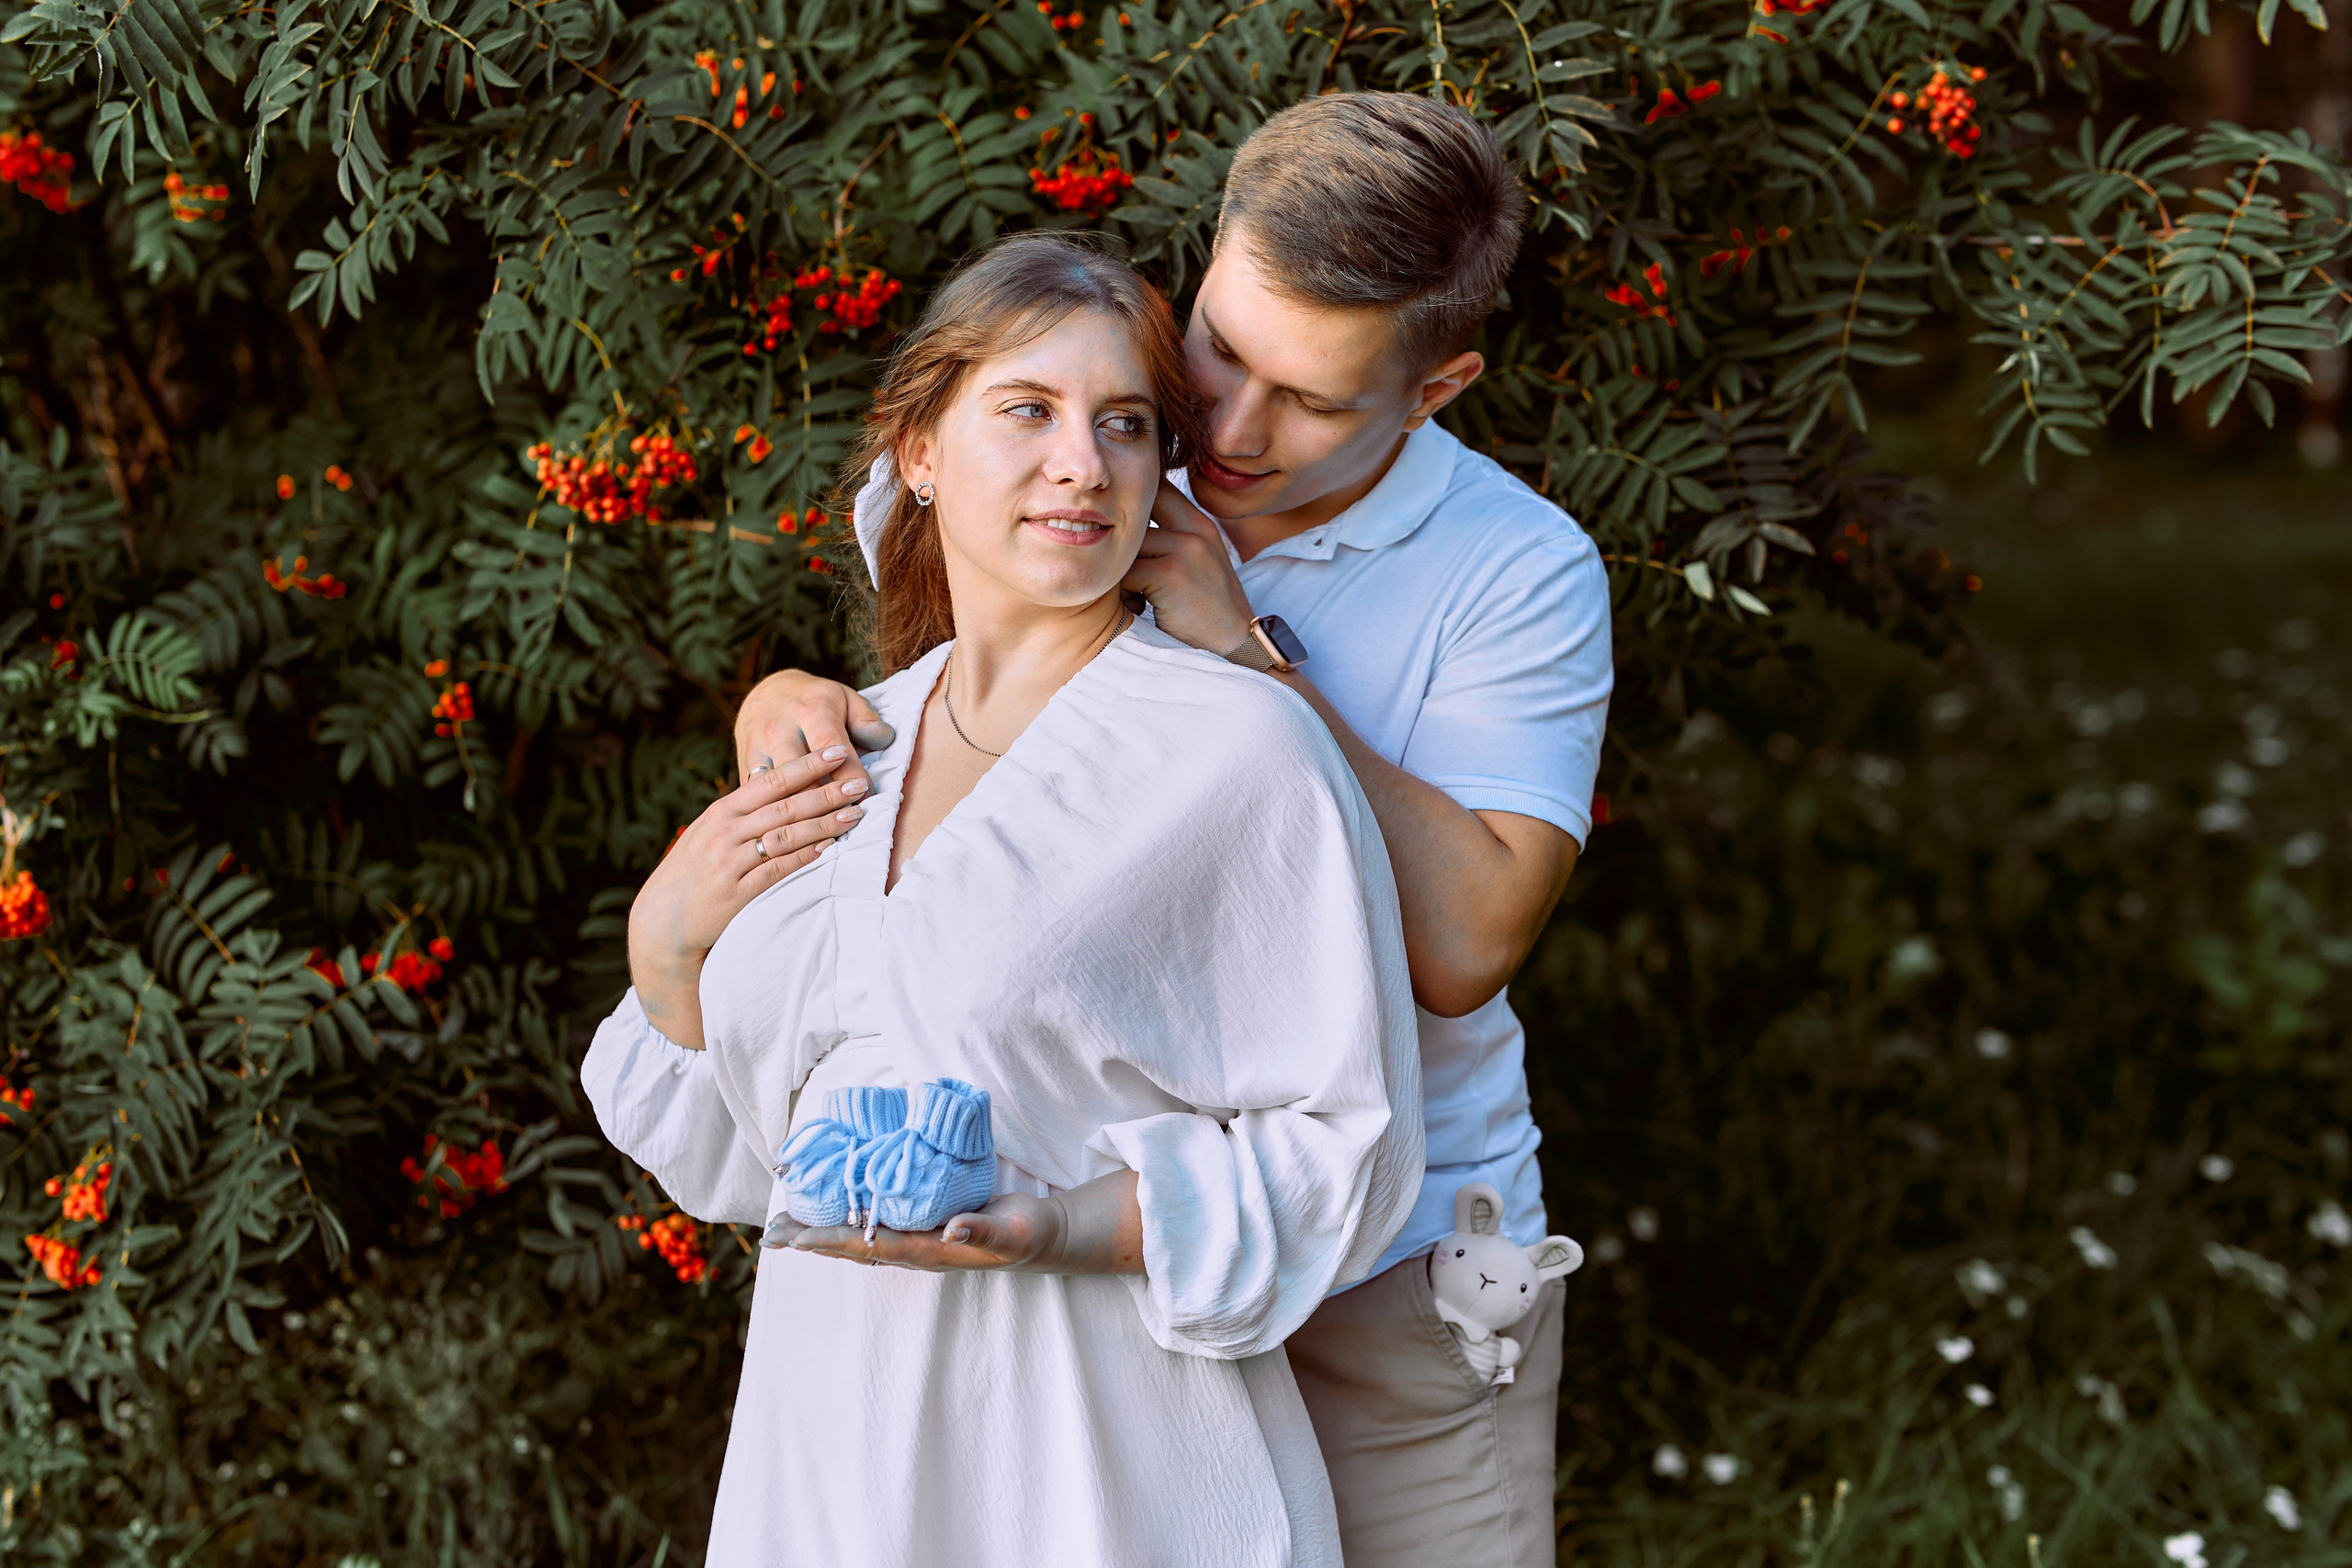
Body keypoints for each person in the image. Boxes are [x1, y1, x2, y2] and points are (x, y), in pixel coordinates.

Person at [729, 94, 1614, 1567]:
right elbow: (935, 719)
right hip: (1078, 1248)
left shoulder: (1518, 572)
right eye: (1221, 350)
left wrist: (1251, 660)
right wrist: (788, 701)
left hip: (1389, 1271)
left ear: (1439, 386)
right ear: (1206, 264)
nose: (1234, 431)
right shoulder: (1087, 436)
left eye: (1317, 401)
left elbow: (1465, 945)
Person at [583, 232, 1424, 1568]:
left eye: (1126, 424)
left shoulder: (1240, 751)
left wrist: (1067, 1226)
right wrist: (668, 945)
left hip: (1099, 1461)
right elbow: (744, 1164)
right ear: (919, 449)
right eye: (1027, 410)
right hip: (827, 1442)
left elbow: (1353, 1152)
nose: (1083, 463)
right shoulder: (841, 749)